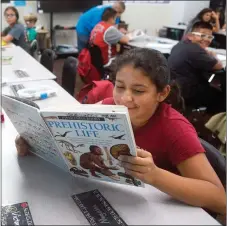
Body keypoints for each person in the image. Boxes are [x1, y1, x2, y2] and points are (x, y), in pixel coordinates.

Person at [15, 48, 226, 217]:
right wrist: (35, 140)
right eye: (119, 87)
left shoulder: (175, 129)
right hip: (120, 203)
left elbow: (219, 200)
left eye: (139, 91)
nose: (125, 99)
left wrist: (155, 175)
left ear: (162, 93)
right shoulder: (108, 107)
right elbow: (68, 136)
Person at [168, 21, 225, 113]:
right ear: (191, 36)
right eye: (202, 35)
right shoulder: (195, 50)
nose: (206, 39)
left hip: (174, 88)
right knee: (221, 95)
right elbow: (219, 66)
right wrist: (214, 55)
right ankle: (209, 123)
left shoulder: (180, 45)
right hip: (187, 92)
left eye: (209, 37)